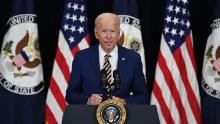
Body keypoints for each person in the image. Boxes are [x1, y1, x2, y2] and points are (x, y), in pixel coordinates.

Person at [65, 13, 148, 105]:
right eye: (104, 31)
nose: (109, 36)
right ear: (96, 34)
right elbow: (70, 95)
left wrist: (124, 102)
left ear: (119, 33)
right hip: (90, 116)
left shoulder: (133, 58)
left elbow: (143, 97)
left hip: (123, 117)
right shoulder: (82, 57)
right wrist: (88, 100)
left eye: (113, 31)